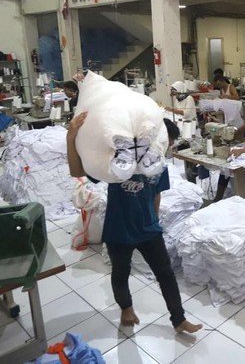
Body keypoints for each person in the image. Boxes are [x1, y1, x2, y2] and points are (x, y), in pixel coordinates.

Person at [66, 113, 202, 334]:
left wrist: (153, 219)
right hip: (118, 230)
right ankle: (126, 308)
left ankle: (179, 319)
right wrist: (71, 136)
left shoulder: (158, 164)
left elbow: (156, 193)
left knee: (166, 274)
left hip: (149, 230)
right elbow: (76, 171)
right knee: (121, 273)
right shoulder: (119, 159)